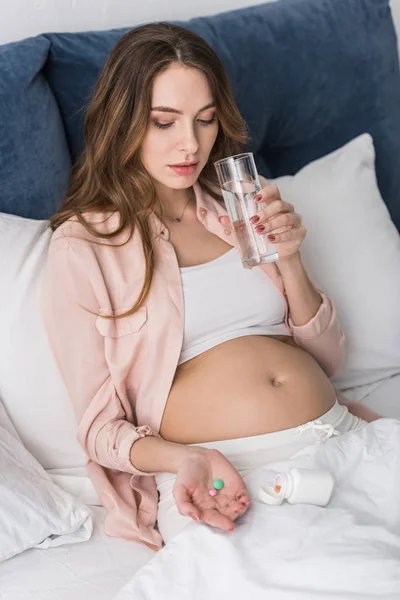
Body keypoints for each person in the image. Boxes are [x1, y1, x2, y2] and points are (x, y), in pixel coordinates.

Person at [41, 22, 380, 551]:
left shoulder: (241, 207)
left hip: (336, 435)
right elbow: (100, 429)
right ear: (123, 120)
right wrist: (187, 459)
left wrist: (290, 262)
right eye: (163, 122)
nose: (190, 144)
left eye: (205, 121)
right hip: (223, 474)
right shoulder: (84, 248)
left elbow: (329, 358)